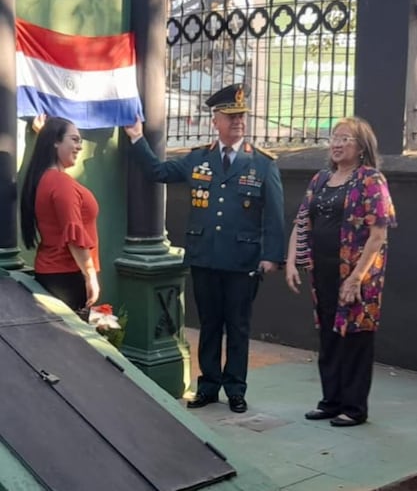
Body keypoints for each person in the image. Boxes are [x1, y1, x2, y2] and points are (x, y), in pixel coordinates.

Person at [124, 83, 285, 413]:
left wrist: (272, 256)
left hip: (243, 260)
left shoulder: (263, 164)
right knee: (210, 324)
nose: (238, 121)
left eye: (241, 115)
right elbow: (158, 171)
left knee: (238, 326)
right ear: (216, 120)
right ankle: (209, 385)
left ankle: (236, 389)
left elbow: (275, 214)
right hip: (205, 257)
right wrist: (137, 138)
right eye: (231, 116)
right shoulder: (199, 158)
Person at [285, 116, 396, 427]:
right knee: (329, 336)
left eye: (345, 138)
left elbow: (378, 235)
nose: (337, 143)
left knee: (355, 339)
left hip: (359, 276)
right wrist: (292, 260)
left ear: (361, 147)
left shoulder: (371, 180)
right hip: (323, 272)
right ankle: (330, 401)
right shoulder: (320, 180)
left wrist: (357, 277)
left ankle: (354, 407)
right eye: (334, 137)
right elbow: (302, 222)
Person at [20, 116, 100, 315]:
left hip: (54, 275)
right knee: (74, 342)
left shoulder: (45, 179)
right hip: (68, 277)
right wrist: (90, 274)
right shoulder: (60, 182)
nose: (79, 147)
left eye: (80, 141)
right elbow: (74, 235)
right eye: (74, 139)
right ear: (55, 141)